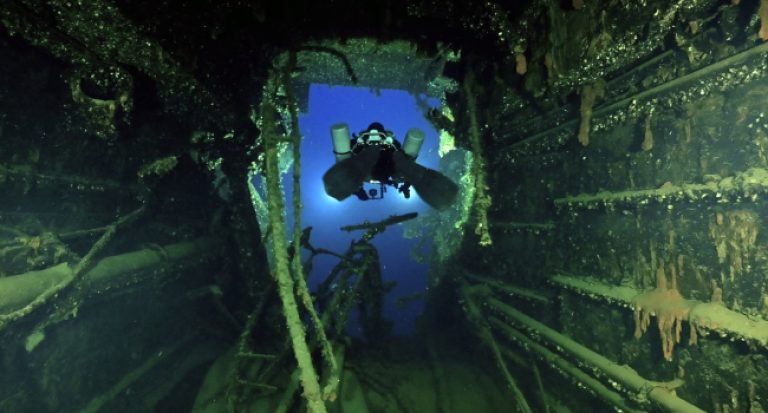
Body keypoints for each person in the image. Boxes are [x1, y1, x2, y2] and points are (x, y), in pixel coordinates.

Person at [322, 122, 458, 210]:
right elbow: (404, 166)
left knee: (399, 167)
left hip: (368, 170)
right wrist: (405, 183)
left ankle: (399, 173)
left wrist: (357, 191)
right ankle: (442, 194)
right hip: (384, 170)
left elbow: (346, 167)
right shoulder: (393, 145)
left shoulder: (357, 145)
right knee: (402, 168)